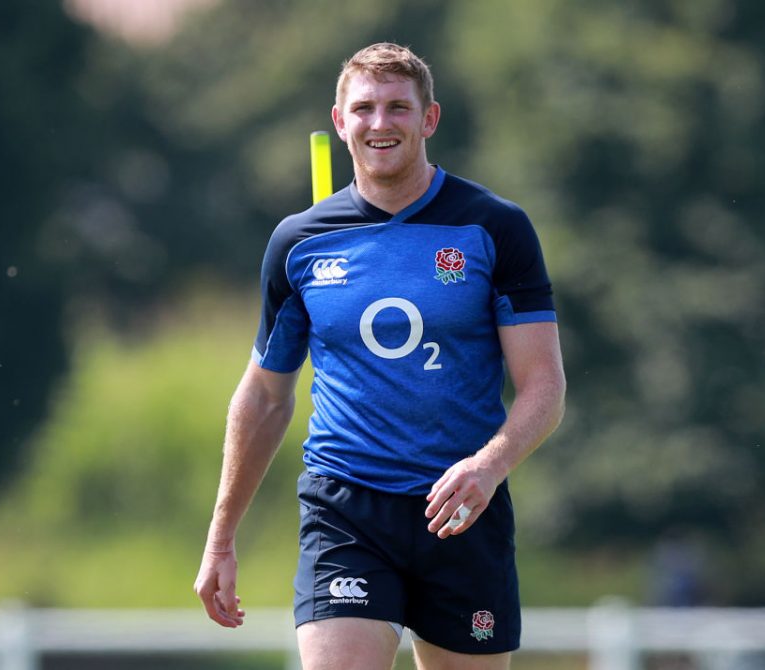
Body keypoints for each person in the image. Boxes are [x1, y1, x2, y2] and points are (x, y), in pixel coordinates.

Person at [194, 42, 566, 670]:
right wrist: (221, 537)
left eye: (398, 107)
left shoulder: (494, 228)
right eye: (363, 108)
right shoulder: (299, 242)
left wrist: (489, 465)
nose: (380, 123)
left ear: (429, 119)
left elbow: (544, 386)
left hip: (460, 508)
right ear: (339, 122)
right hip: (347, 509)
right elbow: (263, 397)